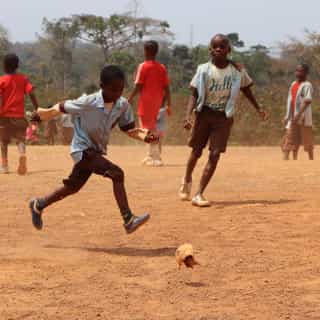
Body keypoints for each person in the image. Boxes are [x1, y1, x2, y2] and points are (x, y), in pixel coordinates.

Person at [29, 65, 157, 234]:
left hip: (95, 152)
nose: (117, 93)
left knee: (72, 187)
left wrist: (144, 136)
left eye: (120, 89)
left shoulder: (122, 105)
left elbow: (128, 129)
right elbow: (61, 107)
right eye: (113, 89)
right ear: (102, 86)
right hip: (82, 150)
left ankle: (39, 205)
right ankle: (128, 219)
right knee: (117, 174)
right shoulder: (88, 102)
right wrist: (41, 114)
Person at [179, 34, 267, 207]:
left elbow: (246, 90)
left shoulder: (237, 71)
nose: (218, 49)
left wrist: (258, 108)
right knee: (196, 152)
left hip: (223, 117)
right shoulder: (203, 69)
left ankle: (199, 193)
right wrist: (188, 115)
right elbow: (194, 94)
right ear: (210, 50)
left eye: (222, 46)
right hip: (204, 114)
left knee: (215, 154)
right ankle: (187, 178)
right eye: (215, 46)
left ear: (229, 50)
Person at [128, 40, 171, 165]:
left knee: (147, 129)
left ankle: (155, 157)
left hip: (146, 102)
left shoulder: (143, 66)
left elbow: (138, 86)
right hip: (158, 102)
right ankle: (151, 155)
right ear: (156, 52)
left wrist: (129, 99)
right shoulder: (161, 67)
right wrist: (169, 104)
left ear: (145, 51)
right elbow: (167, 88)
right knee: (152, 128)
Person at [0, 53, 39, 174]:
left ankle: (4, 165)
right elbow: (31, 93)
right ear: (17, 66)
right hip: (19, 116)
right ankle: (22, 154)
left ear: (4, 66)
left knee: (3, 141)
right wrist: (37, 108)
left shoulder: (2, 80)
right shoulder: (23, 79)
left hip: (4, 116)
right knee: (21, 139)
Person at [281, 64, 314, 160]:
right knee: (289, 138)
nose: (298, 73)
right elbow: (291, 101)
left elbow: (307, 101)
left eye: (301, 71)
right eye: (297, 70)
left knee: (307, 139)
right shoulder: (293, 84)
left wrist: (298, 114)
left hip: (303, 117)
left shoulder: (307, 85)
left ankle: (311, 160)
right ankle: (286, 159)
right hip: (293, 117)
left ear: (306, 73)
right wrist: (287, 116)